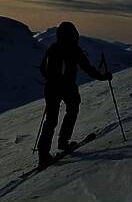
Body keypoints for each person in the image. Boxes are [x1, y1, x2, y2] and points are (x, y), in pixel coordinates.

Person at [37, 21, 111, 164]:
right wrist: (103, 77)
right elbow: (87, 68)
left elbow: (42, 69)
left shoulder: (53, 48)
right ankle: (63, 141)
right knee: (72, 109)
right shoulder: (74, 49)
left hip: (51, 88)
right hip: (67, 88)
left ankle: (43, 154)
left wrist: (51, 79)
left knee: (50, 120)